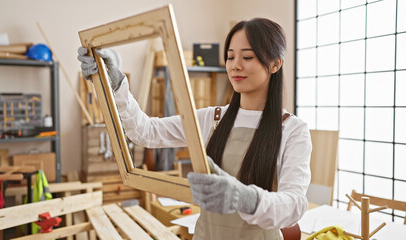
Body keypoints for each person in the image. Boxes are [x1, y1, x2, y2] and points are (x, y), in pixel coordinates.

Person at [78, 17, 311, 240]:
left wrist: (245, 198)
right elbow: (145, 132)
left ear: (275, 64)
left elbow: (294, 205)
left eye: (247, 57)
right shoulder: (212, 118)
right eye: (230, 57)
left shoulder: (292, 130)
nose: (235, 66)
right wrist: (115, 83)